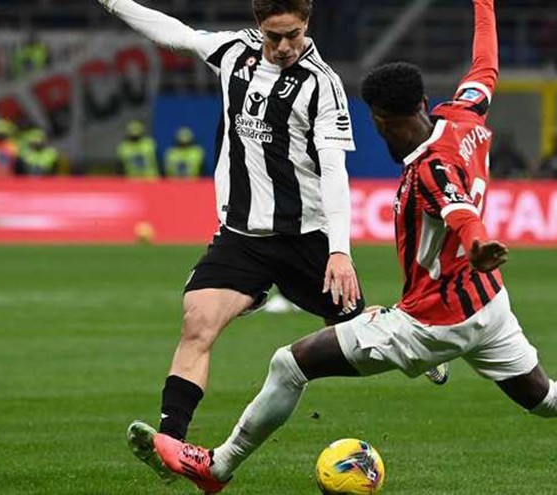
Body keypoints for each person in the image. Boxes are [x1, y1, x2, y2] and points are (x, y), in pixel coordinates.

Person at [133, 1, 557, 493]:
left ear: (383, 120)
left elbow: (457, 208)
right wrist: (484, 5)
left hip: (433, 319)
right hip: (488, 304)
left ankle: (217, 467)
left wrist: (477, 241)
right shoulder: (463, 115)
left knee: (289, 364)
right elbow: (486, 65)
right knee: (542, 395)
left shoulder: (427, 168)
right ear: (422, 103)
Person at [96, 0, 375, 482]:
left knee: (364, 341)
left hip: (306, 237)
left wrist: (339, 250)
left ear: (307, 24)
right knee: (197, 323)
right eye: (273, 36)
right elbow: (176, 34)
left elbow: (334, 171)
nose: (283, 46)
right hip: (242, 237)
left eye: (292, 35)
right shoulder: (233, 52)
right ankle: (172, 445)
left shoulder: (321, 84)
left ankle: (413, 331)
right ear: (258, 26)